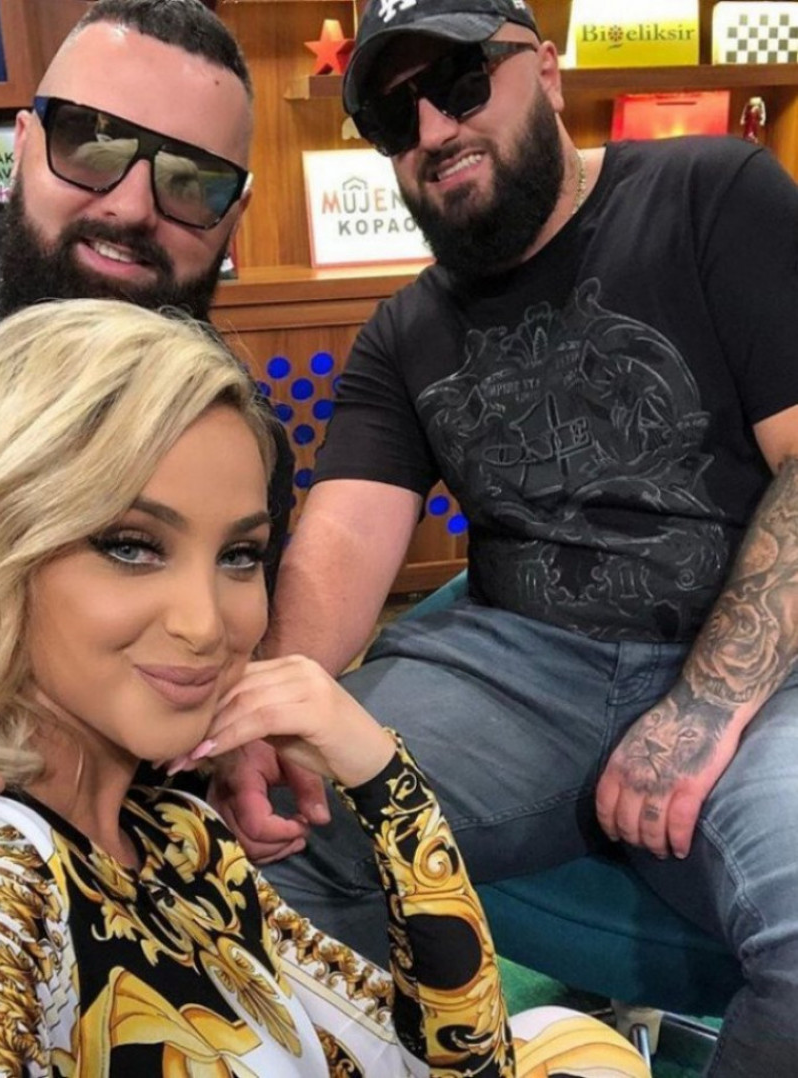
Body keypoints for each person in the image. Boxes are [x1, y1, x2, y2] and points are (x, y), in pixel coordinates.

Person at [207, 1, 798, 1075]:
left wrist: (704, 707)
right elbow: (340, 545)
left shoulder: (712, 193)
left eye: (461, 80)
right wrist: (267, 716)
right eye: (395, 116)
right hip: (521, 666)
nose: (434, 129)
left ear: (547, 71)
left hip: (760, 664)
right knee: (273, 825)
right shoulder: (404, 331)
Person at [0, 297, 648, 1078]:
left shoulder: (176, 835)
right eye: (131, 546)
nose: (204, 624)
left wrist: (380, 776)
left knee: (572, 1039)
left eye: (239, 556)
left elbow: (465, 1057)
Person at [0, 0, 317, 900]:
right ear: (21, 144)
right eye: (91, 145)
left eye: (191, 182)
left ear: (235, 217)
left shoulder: (237, 447)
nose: (129, 207)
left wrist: (224, 717)